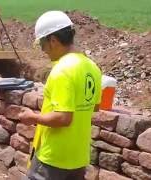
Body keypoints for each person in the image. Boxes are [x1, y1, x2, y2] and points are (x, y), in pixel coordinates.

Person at [18, 11, 102, 180]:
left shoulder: (62, 70)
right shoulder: (92, 67)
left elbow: (63, 118)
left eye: (42, 43)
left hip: (54, 159)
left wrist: (32, 117)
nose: (43, 50)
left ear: (53, 40)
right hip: (78, 159)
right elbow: (95, 106)